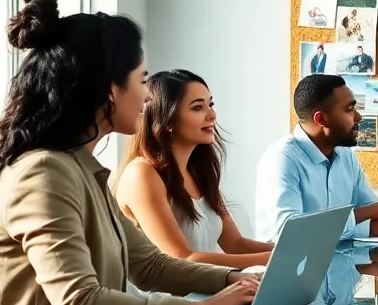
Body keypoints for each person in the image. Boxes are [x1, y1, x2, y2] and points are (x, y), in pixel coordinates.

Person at [0, 0, 259, 305]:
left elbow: (149, 265)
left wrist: (235, 282)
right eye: (141, 81)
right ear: (108, 90)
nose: (146, 98)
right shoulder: (43, 174)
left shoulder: (82, 169)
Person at [114, 70, 274, 270]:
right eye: (198, 107)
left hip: (203, 293)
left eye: (211, 104)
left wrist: (285, 251)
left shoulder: (199, 173)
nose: (212, 115)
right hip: (160, 299)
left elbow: (235, 244)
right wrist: (275, 259)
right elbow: (181, 258)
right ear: (168, 120)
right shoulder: (141, 174)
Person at [255, 74, 378, 243]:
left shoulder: (346, 156)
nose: (358, 117)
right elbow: (289, 234)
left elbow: (375, 215)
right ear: (321, 119)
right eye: (349, 110)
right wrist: (369, 214)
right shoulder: (281, 159)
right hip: (288, 269)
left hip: (339, 265)